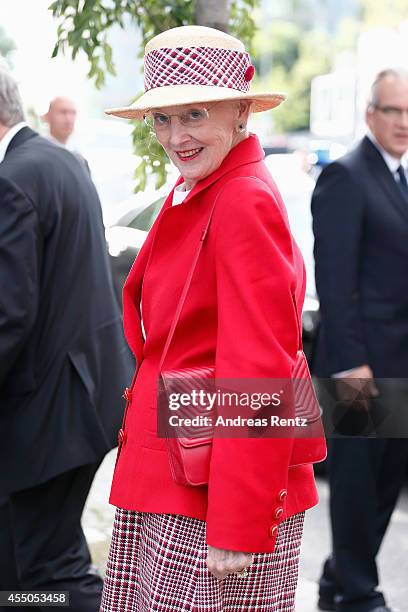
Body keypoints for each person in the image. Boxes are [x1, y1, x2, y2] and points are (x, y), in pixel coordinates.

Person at [100, 25, 325, 611]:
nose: (176, 136)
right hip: (177, 475)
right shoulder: (206, 187)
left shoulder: (242, 196)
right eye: (162, 119)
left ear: (242, 112)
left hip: (209, 493)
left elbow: (261, 365)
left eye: (195, 113)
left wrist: (237, 519)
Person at [0, 67, 133, 610]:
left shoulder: (14, 178)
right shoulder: (58, 163)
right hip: (82, 398)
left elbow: (8, 315)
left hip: (48, 415)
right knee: (23, 568)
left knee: (49, 573)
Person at [312, 68, 408, 612]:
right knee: (354, 486)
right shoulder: (347, 176)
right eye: (393, 111)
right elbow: (335, 278)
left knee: (384, 483)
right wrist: (350, 362)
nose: (403, 122)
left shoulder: (400, 176)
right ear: (370, 113)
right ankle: (356, 593)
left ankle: (336, 578)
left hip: (398, 363)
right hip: (359, 365)